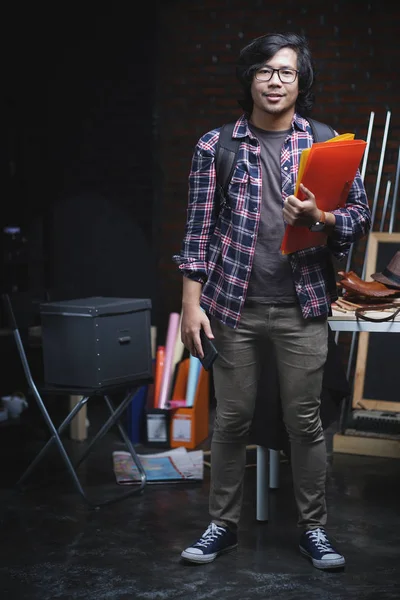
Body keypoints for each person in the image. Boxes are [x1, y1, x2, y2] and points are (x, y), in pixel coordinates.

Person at [173, 32, 371, 570]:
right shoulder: (216, 145)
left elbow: (358, 216)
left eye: (285, 70)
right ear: (250, 80)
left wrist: (321, 219)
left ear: (301, 80)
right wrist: (192, 304)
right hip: (231, 306)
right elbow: (196, 232)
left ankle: (315, 531)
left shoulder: (327, 142)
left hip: (301, 303)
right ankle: (223, 526)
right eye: (264, 70)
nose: (275, 80)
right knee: (232, 420)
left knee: (303, 421)